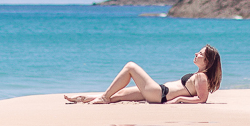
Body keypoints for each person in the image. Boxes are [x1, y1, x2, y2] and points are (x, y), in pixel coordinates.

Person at [64, 45, 222, 105]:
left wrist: (179, 99)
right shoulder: (200, 75)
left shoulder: (202, 77)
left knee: (130, 66)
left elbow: (202, 99)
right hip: (158, 92)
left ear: (207, 60)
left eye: (200, 53)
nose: (196, 53)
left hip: (160, 94)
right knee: (119, 95)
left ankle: (103, 97)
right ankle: (82, 98)